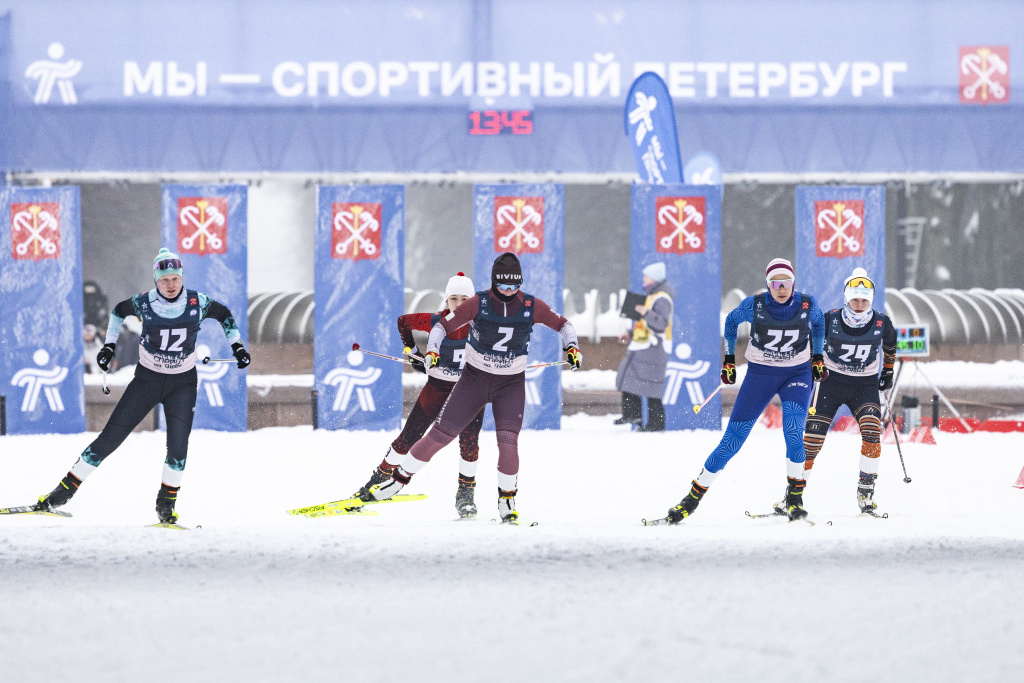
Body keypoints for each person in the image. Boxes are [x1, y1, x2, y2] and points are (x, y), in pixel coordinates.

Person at [33, 248, 250, 524]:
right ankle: (60, 495)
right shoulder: (144, 302)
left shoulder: (198, 302)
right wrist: (109, 346)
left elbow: (225, 315)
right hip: (147, 381)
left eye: (175, 279)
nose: (170, 285)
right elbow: (117, 312)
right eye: (164, 280)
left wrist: (237, 347)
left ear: (182, 278)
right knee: (109, 439)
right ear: (156, 280)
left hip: (182, 384)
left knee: (178, 448)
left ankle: (166, 506)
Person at [365, 252, 581, 523]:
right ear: (493, 282)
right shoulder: (479, 302)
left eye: (514, 285)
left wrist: (572, 346)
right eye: (503, 284)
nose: (508, 291)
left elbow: (563, 324)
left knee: (507, 443)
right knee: (439, 436)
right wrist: (429, 351)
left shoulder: (530, 305)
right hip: (473, 381)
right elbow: (441, 327)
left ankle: (506, 501)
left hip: (509, 385)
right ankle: (396, 482)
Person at [662, 258, 826, 523]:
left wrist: (817, 356)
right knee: (732, 440)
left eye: (786, 283)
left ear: (793, 283)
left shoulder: (807, 304)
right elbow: (731, 322)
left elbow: (819, 324)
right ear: (768, 284)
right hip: (761, 375)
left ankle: (795, 499)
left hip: (797, 373)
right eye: (775, 283)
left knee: (794, 432)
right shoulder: (755, 305)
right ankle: (690, 500)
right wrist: (728, 360)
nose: (781, 288)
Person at [353, 272, 487, 518]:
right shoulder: (436, 321)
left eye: (464, 299)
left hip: (470, 392)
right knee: (409, 436)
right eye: (453, 298)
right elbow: (403, 322)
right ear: (446, 300)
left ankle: (465, 495)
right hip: (438, 388)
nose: (458, 304)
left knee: (469, 442)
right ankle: (375, 482)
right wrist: (413, 352)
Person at [802, 268, 897, 515]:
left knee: (872, 431)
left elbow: (890, 343)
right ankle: (794, 494)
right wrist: (814, 364)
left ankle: (866, 493)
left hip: (864, 386)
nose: (859, 305)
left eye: (864, 300)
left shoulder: (881, 322)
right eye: (855, 300)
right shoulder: (830, 319)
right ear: (846, 298)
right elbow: (812, 342)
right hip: (830, 383)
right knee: (811, 441)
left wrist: (887, 371)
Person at [615, 261, 674, 431]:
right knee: (632, 380)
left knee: (650, 388)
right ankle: (635, 415)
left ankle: (653, 423)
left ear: (654, 279)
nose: (644, 279)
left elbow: (661, 324)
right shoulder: (652, 297)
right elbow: (646, 325)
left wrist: (645, 312)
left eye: (646, 276)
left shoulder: (661, 299)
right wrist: (630, 333)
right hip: (644, 348)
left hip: (653, 350)